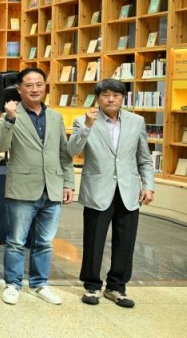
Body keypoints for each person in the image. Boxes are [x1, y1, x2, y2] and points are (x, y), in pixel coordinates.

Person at [67, 79, 155, 308]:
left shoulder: (136, 122)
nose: (111, 99)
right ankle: (92, 286)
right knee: (94, 240)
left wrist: (148, 185)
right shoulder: (83, 121)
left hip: (128, 191)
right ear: (98, 98)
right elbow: (72, 151)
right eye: (106, 95)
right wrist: (86, 126)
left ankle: (117, 287)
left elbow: (144, 157)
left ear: (123, 98)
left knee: (125, 242)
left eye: (116, 95)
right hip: (98, 190)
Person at [0, 67, 74, 306]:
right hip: (22, 187)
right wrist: (9, 119)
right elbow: (0, 145)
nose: (35, 89)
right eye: (29, 85)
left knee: (45, 242)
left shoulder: (56, 117)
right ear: (19, 89)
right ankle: (13, 284)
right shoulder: (11, 114)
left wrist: (68, 183)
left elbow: (64, 153)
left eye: (39, 84)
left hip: (53, 187)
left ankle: (39, 284)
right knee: (16, 241)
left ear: (45, 87)